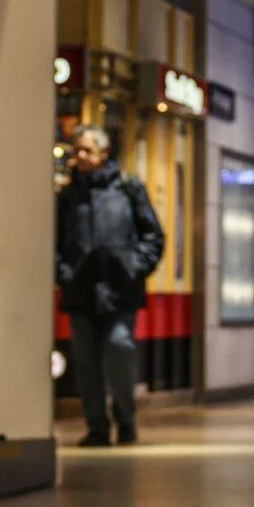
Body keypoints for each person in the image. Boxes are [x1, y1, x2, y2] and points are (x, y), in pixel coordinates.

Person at [53, 126, 166, 447]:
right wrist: (64, 272)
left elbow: (153, 236)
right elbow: (54, 240)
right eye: (76, 151)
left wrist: (135, 266)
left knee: (119, 348)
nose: (80, 157)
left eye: (87, 150)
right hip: (80, 290)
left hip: (120, 288)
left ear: (103, 154)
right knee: (86, 362)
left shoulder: (129, 190)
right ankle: (97, 427)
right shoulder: (68, 196)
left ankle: (125, 418)